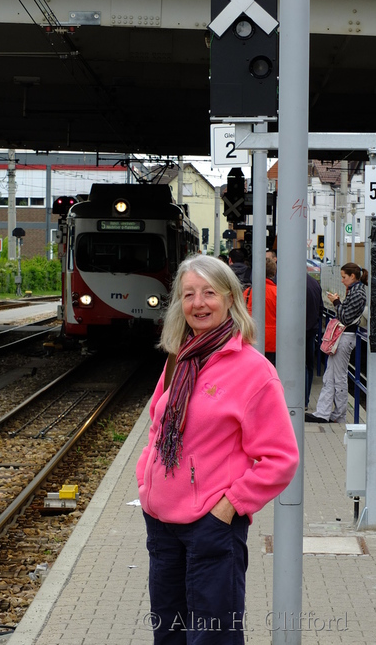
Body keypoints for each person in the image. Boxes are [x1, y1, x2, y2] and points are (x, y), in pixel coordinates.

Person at [136, 254, 299, 644]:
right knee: (169, 636)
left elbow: (280, 457)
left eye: (209, 292)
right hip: (161, 526)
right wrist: (146, 483)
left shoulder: (253, 370)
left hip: (211, 528)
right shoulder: (179, 359)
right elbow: (157, 428)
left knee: (213, 638)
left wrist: (228, 507)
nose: (198, 303)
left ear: (230, 298)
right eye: (189, 294)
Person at [306, 262, 368, 423]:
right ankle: (323, 413)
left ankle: (338, 414)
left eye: (344, 277)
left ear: (352, 276)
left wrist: (335, 302)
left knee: (337, 377)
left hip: (345, 337)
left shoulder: (358, 293)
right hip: (344, 337)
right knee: (330, 376)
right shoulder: (356, 291)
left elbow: (345, 317)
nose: (342, 280)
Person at [243, 257, 277, 366]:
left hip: (252, 338)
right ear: (273, 272)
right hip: (274, 341)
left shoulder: (248, 292)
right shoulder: (278, 293)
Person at [305, 273, 323, 410]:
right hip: (311, 330)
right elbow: (320, 308)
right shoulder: (314, 283)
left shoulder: (288, 282)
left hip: (294, 332)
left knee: (299, 366)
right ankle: (305, 400)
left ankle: (297, 400)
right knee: (308, 366)